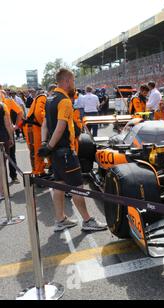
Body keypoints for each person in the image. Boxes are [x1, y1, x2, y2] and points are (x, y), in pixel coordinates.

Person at [38, 68, 107, 232]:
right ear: (67, 81)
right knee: (77, 187)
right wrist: (49, 146)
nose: (74, 84)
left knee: (59, 185)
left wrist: (44, 144)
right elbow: (60, 127)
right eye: (73, 81)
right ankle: (87, 220)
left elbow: (45, 124)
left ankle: (60, 219)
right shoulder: (64, 100)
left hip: (55, 152)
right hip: (65, 151)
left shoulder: (49, 99)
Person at [24, 85, 55, 177]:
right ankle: (38, 173)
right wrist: (46, 124)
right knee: (36, 151)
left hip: (36, 127)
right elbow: (39, 113)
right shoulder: (43, 97)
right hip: (33, 128)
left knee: (41, 149)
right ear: (50, 92)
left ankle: (44, 169)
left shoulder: (46, 99)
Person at [3, 90, 23, 184]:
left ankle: (13, 176)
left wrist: (16, 126)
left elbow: (20, 112)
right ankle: (12, 177)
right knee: (11, 155)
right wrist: (16, 126)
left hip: (8, 132)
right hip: (8, 132)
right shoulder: (8, 100)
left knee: (11, 155)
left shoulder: (8, 101)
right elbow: (20, 112)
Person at [0, 102, 15, 200]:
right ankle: (2, 191)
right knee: (2, 165)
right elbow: (8, 124)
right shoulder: (2, 105)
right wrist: (11, 138)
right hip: (2, 138)